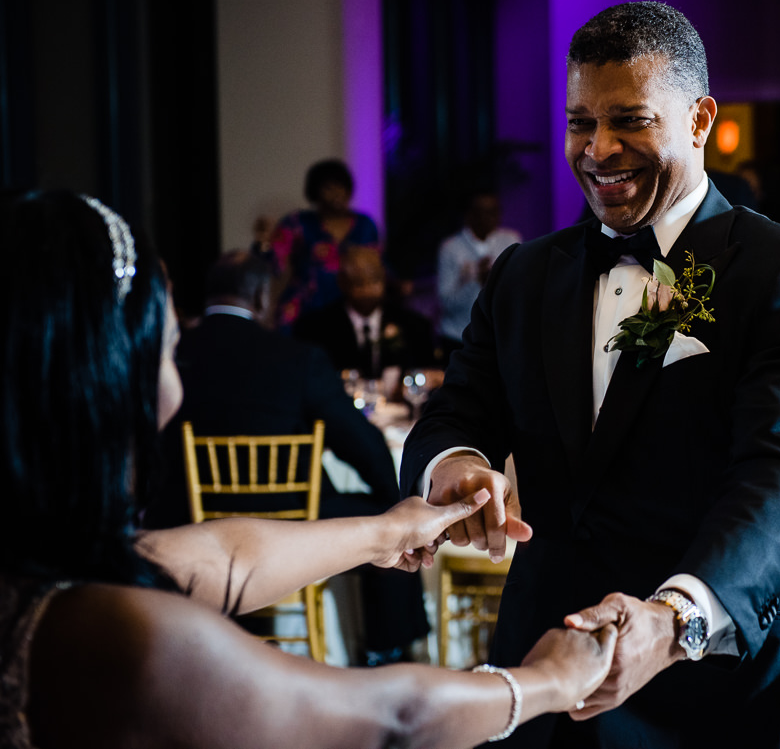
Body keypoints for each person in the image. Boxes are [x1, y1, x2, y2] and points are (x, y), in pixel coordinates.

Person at [400, 2, 780, 747]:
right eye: (580, 122)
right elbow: (457, 409)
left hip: (725, 680)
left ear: (701, 118)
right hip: (550, 665)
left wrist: (674, 617)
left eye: (630, 121)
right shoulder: (523, 274)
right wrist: (456, 465)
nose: (598, 149)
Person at [0, 190, 616, 749]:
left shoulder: (40, 573)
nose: (177, 385)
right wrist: (548, 680)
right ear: (107, 383)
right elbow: (392, 718)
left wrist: (388, 531)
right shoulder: (124, 634)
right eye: (167, 347)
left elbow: (225, 555)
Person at [150, 250, 426, 666]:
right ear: (262, 296)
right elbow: (362, 444)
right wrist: (397, 504)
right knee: (384, 516)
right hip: (287, 520)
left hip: (182, 519)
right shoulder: (297, 359)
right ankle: (389, 652)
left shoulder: (169, 354)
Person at [294, 244, 437, 378]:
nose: (368, 290)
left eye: (374, 281)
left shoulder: (415, 326)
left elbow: (428, 376)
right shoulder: (315, 328)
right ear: (342, 283)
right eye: (359, 283)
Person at [271, 158, 381, 329]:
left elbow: (378, 264)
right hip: (307, 305)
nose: (337, 193)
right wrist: (263, 242)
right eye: (328, 188)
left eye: (341, 186)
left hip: (352, 305)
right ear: (315, 191)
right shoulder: (298, 222)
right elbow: (273, 263)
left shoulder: (365, 224)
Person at [436, 190, 520, 355]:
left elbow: (518, 290)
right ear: (470, 215)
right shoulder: (451, 248)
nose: (491, 218)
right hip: (458, 337)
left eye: (495, 212)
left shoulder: (510, 241)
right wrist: (474, 280)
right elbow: (445, 302)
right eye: (484, 213)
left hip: (498, 337)